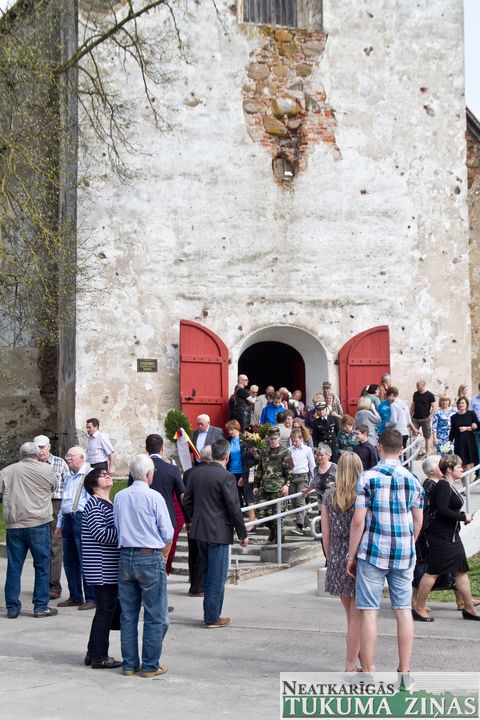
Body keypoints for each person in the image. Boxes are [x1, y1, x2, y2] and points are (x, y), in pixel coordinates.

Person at [347, 429, 424, 685]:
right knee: (403, 611)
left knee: (369, 612)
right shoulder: (413, 479)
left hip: (373, 550)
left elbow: (358, 521)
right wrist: (409, 542)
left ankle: (368, 672)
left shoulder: (367, 478)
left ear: (379, 447)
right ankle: (404, 673)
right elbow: (418, 520)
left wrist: (351, 555)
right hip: (403, 552)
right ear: (401, 449)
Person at [114, 454, 173, 678]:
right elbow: (167, 532)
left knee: (128, 614)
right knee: (155, 615)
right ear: (149, 475)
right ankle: (149, 665)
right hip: (148, 556)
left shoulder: (120, 496)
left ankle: (129, 664)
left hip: (126, 555)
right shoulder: (154, 496)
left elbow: (117, 525)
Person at [183, 438, 248, 628]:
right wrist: (242, 533)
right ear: (227, 457)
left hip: (200, 530)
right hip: (218, 532)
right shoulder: (226, 476)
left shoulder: (196, 473)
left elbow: (187, 501)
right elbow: (234, 508)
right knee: (217, 576)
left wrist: (196, 517)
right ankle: (212, 617)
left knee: (208, 572)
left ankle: (211, 613)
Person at [413, 454, 480, 622]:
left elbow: (447, 509)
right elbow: (441, 510)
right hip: (441, 537)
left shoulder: (448, 485)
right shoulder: (443, 485)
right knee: (433, 572)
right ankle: (419, 608)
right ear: (449, 469)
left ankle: (469, 608)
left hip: (451, 536)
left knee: (461, 571)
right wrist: (463, 517)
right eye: (458, 467)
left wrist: (461, 516)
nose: (462, 469)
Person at [0, 442, 58, 618]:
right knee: (42, 566)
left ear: (21, 454)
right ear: (37, 454)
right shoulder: (47, 469)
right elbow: (53, 487)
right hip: (38, 523)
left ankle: (12, 607)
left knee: (14, 566)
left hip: (15, 525)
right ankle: (40, 606)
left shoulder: (7, 471)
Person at [321, 452, 364, 671]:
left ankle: (360, 662)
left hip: (336, 553)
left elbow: (325, 532)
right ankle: (351, 665)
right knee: (358, 616)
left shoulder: (329, 495)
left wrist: (330, 558)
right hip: (357, 554)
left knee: (351, 617)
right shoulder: (362, 494)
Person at [128, 434, 185, 575]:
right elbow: (182, 496)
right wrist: (188, 519)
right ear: (162, 448)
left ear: (146, 449)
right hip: (166, 520)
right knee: (162, 562)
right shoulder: (171, 469)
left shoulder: (136, 470)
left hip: (142, 520)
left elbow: (131, 493)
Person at [82, 468, 121, 669]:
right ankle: (99, 657)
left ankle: (93, 653)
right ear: (93, 484)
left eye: (108, 474)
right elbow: (100, 534)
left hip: (108, 567)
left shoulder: (107, 503)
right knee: (105, 611)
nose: (107, 476)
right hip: (101, 567)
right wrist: (124, 534)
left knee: (104, 611)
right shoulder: (94, 504)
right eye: (102, 475)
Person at [56, 446, 96, 610]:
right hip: (68, 519)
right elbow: (65, 501)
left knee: (85, 560)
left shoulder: (91, 475)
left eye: (71, 456)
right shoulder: (69, 477)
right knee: (70, 561)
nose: (68, 458)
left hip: (82, 519)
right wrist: (59, 523)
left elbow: (95, 500)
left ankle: (91, 598)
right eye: (67, 455)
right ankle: (75, 596)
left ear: (81, 457)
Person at [34, 434, 69, 600]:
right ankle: (41, 585)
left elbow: (68, 485)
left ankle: (54, 586)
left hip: (55, 503)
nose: (40, 451)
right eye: (38, 447)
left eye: (43, 447)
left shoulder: (59, 463)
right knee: (39, 546)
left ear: (49, 447)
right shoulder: (32, 464)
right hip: (36, 506)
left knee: (55, 545)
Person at [253, 426, 293, 543]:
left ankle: (279, 538)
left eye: (275, 438)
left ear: (279, 438)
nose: (273, 441)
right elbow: (259, 469)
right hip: (264, 487)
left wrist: (287, 485)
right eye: (271, 439)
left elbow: (291, 471)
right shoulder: (264, 452)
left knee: (277, 515)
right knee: (260, 514)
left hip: (278, 488)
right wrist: (255, 485)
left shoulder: (286, 452)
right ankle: (274, 532)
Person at [183, 446, 212, 597]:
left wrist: (188, 518)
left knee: (193, 552)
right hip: (206, 519)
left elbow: (185, 499)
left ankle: (194, 584)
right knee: (202, 554)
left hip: (192, 518)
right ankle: (199, 587)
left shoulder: (189, 473)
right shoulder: (212, 473)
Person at [225, 419, 255, 521]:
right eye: (229, 430)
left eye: (232, 429)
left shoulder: (245, 440)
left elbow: (249, 458)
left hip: (244, 472)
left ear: (237, 429)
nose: (230, 432)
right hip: (232, 472)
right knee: (236, 496)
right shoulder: (228, 441)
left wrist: (243, 474)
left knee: (247, 494)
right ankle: (240, 516)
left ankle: (251, 516)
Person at [289, 430, 315, 535]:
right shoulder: (289, 450)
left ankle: (299, 526)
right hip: (292, 477)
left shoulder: (307, 450)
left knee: (300, 500)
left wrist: (313, 479)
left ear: (301, 439)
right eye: (293, 441)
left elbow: (312, 465)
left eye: (296, 441)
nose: (294, 443)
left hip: (303, 477)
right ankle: (305, 521)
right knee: (293, 502)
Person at [449, 396, 479, 478]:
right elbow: (452, 430)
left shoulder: (471, 414)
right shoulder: (454, 417)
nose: (461, 404)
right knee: (460, 464)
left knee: (469, 464)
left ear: (466, 404)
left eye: (463, 403)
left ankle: (467, 483)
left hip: (469, 442)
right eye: (459, 403)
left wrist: (469, 427)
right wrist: (449, 441)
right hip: (459, 443)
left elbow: (478, 426)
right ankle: (464, 484)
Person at [305, 443, 337, 514]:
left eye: (322, 455)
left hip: (334, 503)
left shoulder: (335, 468)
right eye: (317, 455)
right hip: (321, 504)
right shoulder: (316, 469)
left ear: (328, 455)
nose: (319, 457)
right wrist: (307, 490)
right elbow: (314, 482)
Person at [410, 380, 436, 457]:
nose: (417, 387)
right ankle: (418, 452)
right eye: (417, 385)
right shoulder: (415, 394)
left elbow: (434, 406)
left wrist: (430, 417)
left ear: (423, 385)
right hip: (415, 418)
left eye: (419, 385)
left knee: (427, 436)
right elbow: (413, 405)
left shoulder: (430, 395)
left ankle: (427, 453)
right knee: (414, 436)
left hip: (425, 418)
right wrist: (410, 415)